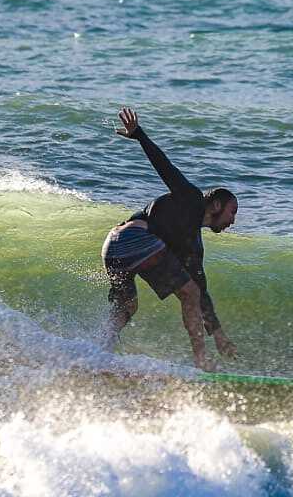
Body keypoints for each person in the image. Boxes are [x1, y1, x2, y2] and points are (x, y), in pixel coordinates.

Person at [101, 107, 238, 371]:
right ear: (217, 205)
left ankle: (98, 353)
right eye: (232, 212)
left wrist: (217, 332)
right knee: (189, 292)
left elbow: (201, 291)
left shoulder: (192, 244)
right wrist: (139, 134)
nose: (233, 221)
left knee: (127, 307)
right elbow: (165, 167)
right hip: (133, 239)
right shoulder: (191, 199)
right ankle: (202, 361)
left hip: (113, 246)